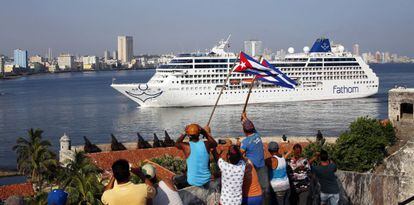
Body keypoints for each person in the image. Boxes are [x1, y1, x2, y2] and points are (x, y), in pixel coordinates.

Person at [239, 112, 269, 204]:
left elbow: (239, 155)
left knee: (252, 188)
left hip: (253, 169)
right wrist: (245, 118)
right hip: (261, 165)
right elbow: (252, 126)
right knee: (264, 189)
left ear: (244, 131)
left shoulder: (245, 142)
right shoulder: (257, 135)